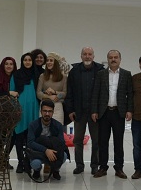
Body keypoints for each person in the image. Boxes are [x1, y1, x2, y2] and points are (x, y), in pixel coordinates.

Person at [92, 50, 133, 179]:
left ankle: (119, 168)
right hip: (103, 112)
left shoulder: (126, 74)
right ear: (107, 59)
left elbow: (130, 94)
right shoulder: (101, 74)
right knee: (102, 142)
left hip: (118, 112)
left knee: (118, 142)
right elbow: (96, 93)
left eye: (116, 57)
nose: (113, 59)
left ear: (120, 59)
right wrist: (94, 110)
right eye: (111, 57)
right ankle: (103, 167)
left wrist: (129, 110)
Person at [64, 47, 104, 175]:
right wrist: (70, 110)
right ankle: (79, 165)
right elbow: (69, 92)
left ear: (93, 56)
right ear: (81, 56)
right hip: (79, 112)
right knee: (77, 140)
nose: (87, 56)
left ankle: (94, 165)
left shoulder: (100, 70)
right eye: (85, 54)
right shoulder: (74, 71)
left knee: (96, 140)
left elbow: (103, 93)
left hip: (95, 113)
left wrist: (99, 110)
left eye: (89, 54)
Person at [11, 53, 41, 173]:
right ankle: (20, 162)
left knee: (31, 138)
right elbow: (12, 91)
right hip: (20, 109)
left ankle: (29, 162)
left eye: (29, 60)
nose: (27, 62)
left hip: (33, 109)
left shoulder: (37, 75)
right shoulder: (16, 74)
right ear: (22, 62)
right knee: (19, 136)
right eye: (25, 60)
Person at [27, 99, 67, 180]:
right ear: (41, 111)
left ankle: (55, 169)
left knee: (64, 155)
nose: (47, 114)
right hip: (38, 152)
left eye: (50, 111)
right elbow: (30, 143)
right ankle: (37, 170)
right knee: (35, 163)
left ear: (53, 112)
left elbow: (61, 142)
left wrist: (51, 151)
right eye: (45, 111)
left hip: (53, 152)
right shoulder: (33, 125)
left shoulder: (58, 125)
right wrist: (45, 150)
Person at [36, 52, 68, 123]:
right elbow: (38, 93)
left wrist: (55, 93)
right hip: (44, 106)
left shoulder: (63, 77)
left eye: (51, 60)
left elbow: (65, 93)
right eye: (47, 60)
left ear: (56, 63)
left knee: (57, 127)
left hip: (57, 107)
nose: (48, 62)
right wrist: (49, 97)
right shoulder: (42, 76)